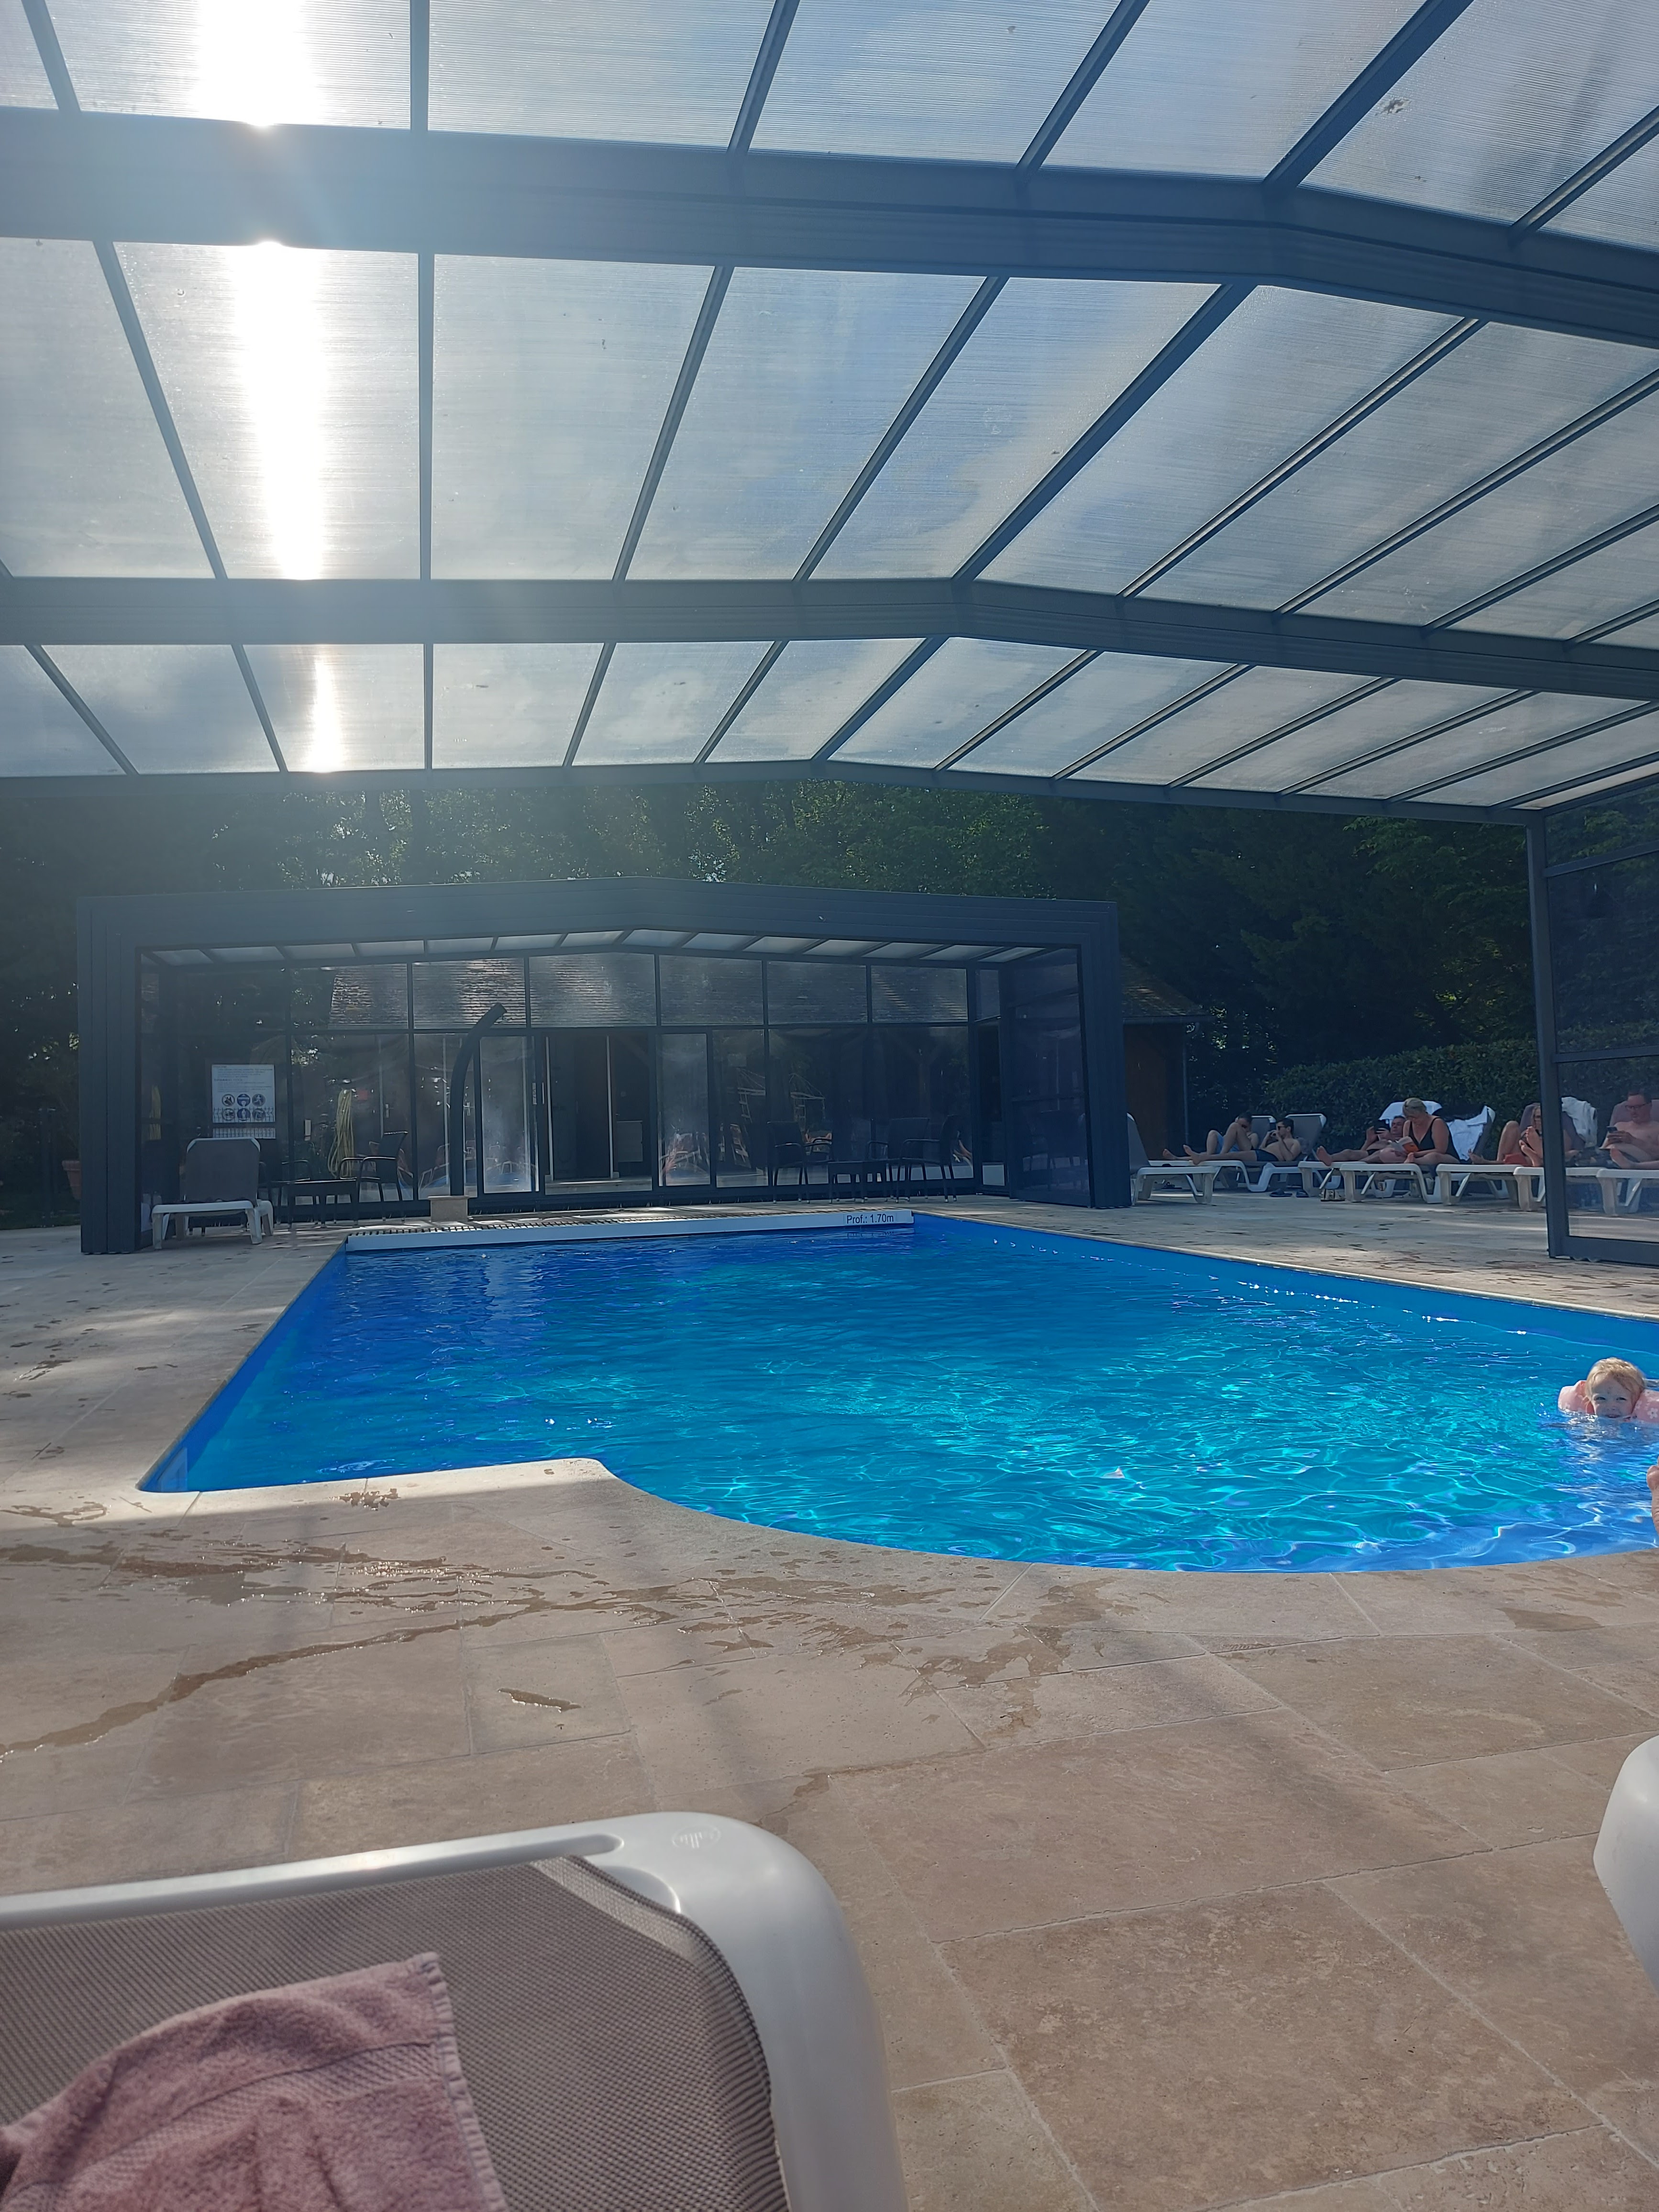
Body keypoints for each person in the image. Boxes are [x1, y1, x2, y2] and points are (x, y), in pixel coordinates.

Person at [1558, 1357, 1659, 1423]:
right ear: (1590, 1400)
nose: (1611, 1407)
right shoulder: (1585, 1420)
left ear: (1637, 1401)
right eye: (1601, 1399)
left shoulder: (1644, 1424)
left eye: (1621, 1399)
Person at [1396, 1097, 1458, 1174]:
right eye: (1410, 1118)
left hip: (1442, 1157)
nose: (1413, 1120)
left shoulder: (1437, 1123)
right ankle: (1409, 1162)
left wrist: (1417, 1155)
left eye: (1416, 1117)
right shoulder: (1408, 1124)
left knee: (1433, 1156)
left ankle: (1415, 1162)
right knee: (1386, 1153)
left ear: (1423, 1112)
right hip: (1414, 1156)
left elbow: (1441, 1150)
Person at [1606, 1092, 1659, 1167]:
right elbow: (1602, 1148)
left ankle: (1628, 1165)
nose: (1633, 1112)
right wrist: (1609, 1142)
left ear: (1649, 1106)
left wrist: (1633, 1141)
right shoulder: (1619, 1125)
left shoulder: (1657, 1129)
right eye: (1630, 1108)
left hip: (1633, 1159)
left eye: (1637, 1107)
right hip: (1606, 1155)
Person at [1185, 1113, 1259, 1165]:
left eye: (1244, 1127)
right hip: (1227, 1151)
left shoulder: (1253, 1136)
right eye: (1240, 1126)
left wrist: (1240, 1133)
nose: (1242, 1129)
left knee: (1234, 1126)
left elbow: (1253, 1152)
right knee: (1213, 1133)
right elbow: (1225, 1141)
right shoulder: (1234, 1133)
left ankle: (1220, 1157)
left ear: (1250, 1126)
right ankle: (1208, 1159)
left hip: (1240, 1154)